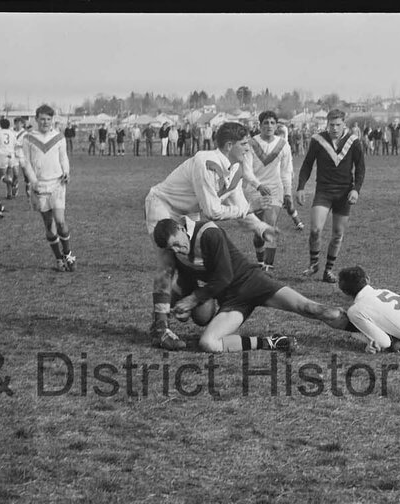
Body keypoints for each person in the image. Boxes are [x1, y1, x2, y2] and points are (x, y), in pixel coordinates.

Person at [144, 120, 278, 349]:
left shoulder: (233, 166)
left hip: (190, 211)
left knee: (191, 268)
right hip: (164, 205)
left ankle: (178, 306)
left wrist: (260, 227)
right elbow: (213, 211)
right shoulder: (206, 162)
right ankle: (160, 327)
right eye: (244, 144)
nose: (248, 148)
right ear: (228, 145)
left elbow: (238, 204)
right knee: (168, 263)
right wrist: (249, 208)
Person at [152, 217, 350, 353]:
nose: (178, 249)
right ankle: (270, 343)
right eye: (172, 248)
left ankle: (361, 325)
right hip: (232, 302)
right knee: (208, 343)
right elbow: (188, 280)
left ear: (180, 228)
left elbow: (224, 276)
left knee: (311, 308)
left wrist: (194, 299)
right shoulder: (178, 253)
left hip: (253, 282)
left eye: (177, 243)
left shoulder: (208, 232)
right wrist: (183, 306)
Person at [295, 108, 365, 283]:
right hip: (324, 191)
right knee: (315, 230)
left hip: (344, 194)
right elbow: (307, 165)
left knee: (337, 234)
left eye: (338, 125)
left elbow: (361, 168)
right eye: (331, 124)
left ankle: (328, 271)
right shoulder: (318, 140)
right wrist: (301, 187)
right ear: (327, 124)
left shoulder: (353, 141)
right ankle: (314, 264)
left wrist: (356, 189)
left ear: (344, 124)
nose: (334, 128)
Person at [19, 104, 75, 272]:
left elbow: (63, 158)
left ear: (52, 120)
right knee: (49, 226)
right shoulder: (28, 138)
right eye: (42, 119)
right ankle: (58, 259)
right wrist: (33, 180)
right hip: (39, 186)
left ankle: (68, 254)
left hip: (57, 183)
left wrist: (66, 171)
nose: (45, 122)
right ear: (36, 119)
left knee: (60, 221)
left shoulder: (59, 137)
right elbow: (26, 162)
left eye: (48, 119)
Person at [246, 111, 296, 273]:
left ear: (276, 125)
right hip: (254, 191)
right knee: (258, 234)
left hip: (275, 190)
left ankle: (268, 267)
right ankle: (261, 261)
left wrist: (287, 192)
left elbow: (286, 171)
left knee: (269, 224)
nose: (269, 126)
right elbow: (246, 170)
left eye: (272, 123)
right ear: (259, 125)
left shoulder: (283, 145)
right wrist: (258, 185)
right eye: (265, 123)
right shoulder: (251, 144)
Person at [0, 117, 16, 199]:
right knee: (9, 174)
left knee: (2, 176)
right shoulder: (12, 133)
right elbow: (15, 143)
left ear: (0, 125)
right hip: (11, 155)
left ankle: (12, 183)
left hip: (2, 155)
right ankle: (9, 194)